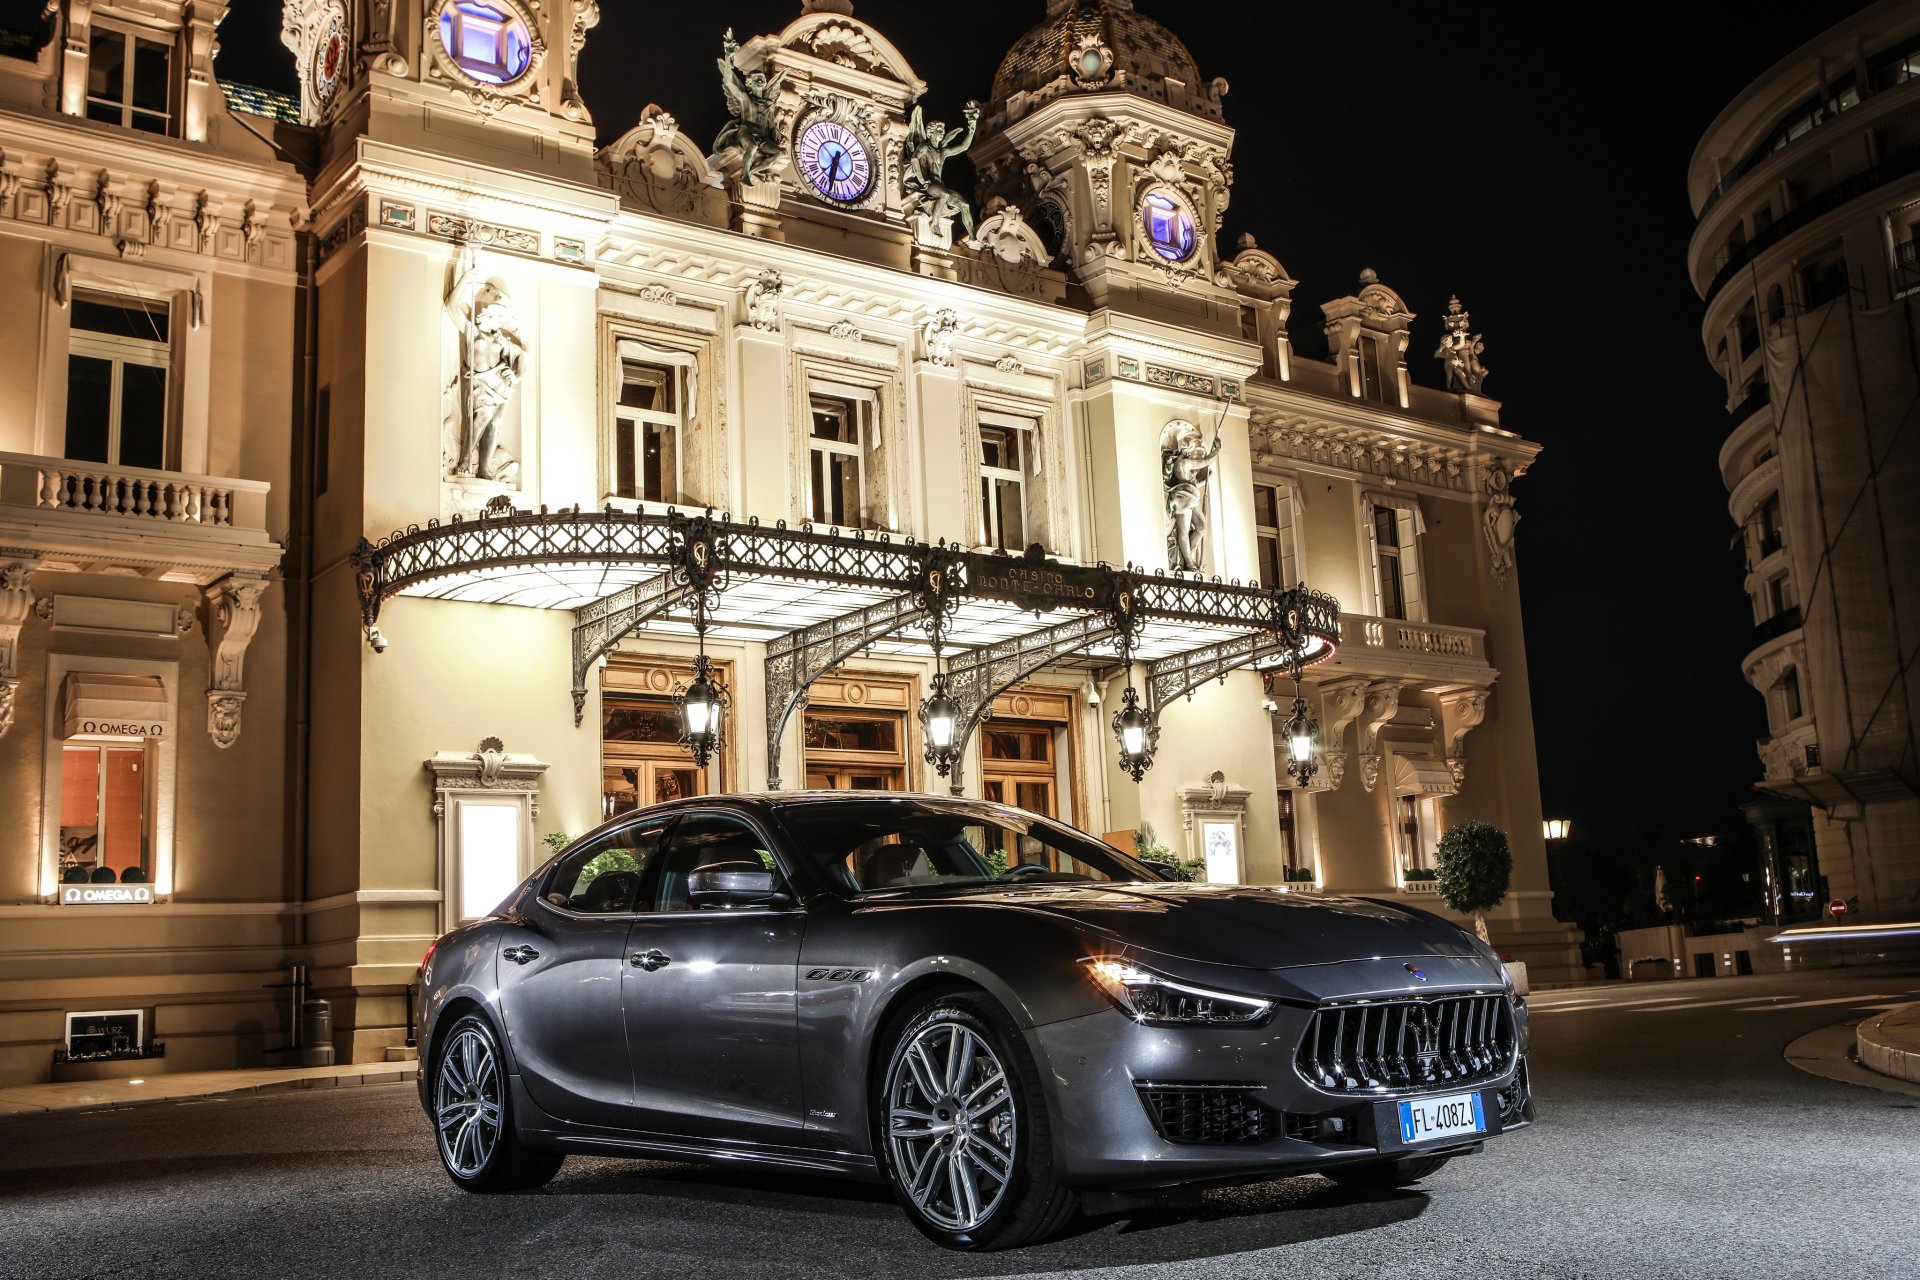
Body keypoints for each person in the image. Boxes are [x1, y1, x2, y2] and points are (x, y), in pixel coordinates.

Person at [1161, 419, 1223, 570]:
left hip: (1192, 499)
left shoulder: (1186, 465)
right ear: (1185, 448)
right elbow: (1206, 460)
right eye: (1190, 446)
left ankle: (1190, 554)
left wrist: (1205, 480)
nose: (1192, 450)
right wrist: (1216, 450)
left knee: (1201, 528)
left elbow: (1191, 484)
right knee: (1183, 531)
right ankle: (1188, 562)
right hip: (1183, 500)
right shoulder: (1183, 463)